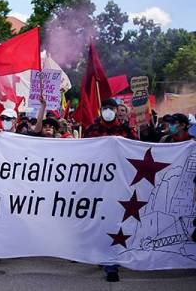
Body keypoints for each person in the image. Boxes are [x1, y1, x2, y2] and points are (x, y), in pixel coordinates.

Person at [83, 98, 136, 282]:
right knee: (99, 220)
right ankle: (101, 254)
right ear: (100, 110)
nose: (108, 111)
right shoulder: (91, 129)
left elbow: (136, 152)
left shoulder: (126, 130)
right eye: (104, 108)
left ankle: (111, 263)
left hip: (119, 184)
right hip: (97, 183)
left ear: (116, 110)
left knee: (114, 221)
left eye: (111, 108)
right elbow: (82, 153)